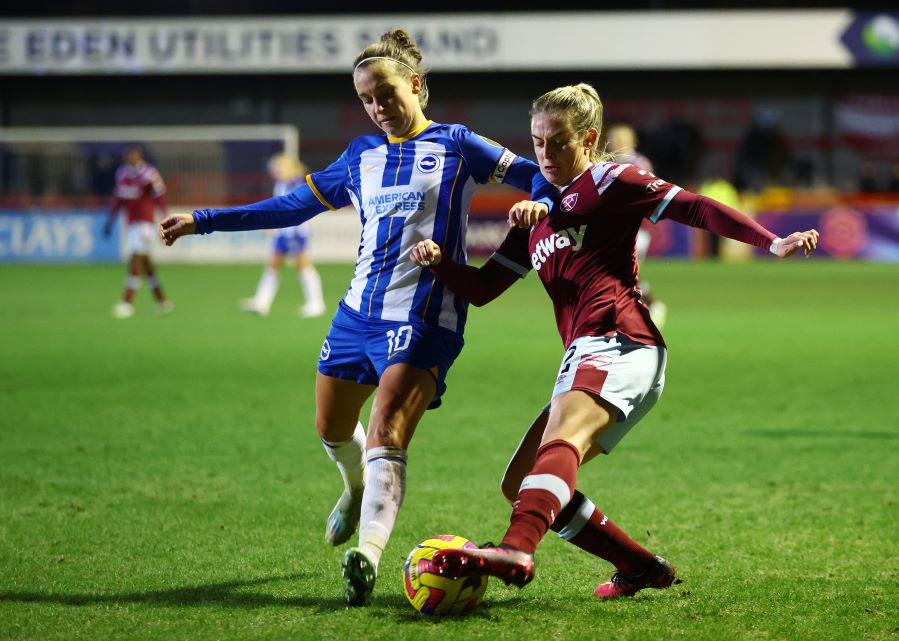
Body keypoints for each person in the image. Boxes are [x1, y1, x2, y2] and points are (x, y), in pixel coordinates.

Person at [157, 29, 553, 607]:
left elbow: (538, 173)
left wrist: (538, 202)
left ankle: (366, 555)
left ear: (416, 85)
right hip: (355, 316)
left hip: (425, 317)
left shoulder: (459, 144)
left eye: (387, 93)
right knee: (331, 431)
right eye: (367, 99)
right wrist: (203, 219)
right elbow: (288, 206)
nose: (378, 107)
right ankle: (354, 487)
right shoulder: (359, 156)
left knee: (388, 429)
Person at [409, 83, 818, 600]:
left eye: (558, 142)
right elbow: (485, 289)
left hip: (621, 340)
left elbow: (694, 208)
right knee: (520, 485)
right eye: (537, 143)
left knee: (560, 448)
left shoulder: (611, 179)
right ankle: (641, 566)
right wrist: (441, 263)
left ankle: (516, 548)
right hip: (590, 352)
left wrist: (770, 240)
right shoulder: (537, 213)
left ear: (589, 137)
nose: (546, 154)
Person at [240, 152, 326, 318]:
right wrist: (271, 224)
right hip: (283, 232)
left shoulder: (298, 184)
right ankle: (261, 302)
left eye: (281, 167)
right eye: (275, 168)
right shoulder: (280, 184)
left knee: (302, 266)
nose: (277, 170)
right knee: (273, 265)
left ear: (291, 168)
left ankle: (316, 304)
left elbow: (298, 209)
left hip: (296, 232)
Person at [605, 123, 666, 327]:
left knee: (622, 270)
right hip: (612, 227)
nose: (618, 141)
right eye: (614, 137)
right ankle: (644, 305)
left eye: (622, 137)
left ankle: (646, 305)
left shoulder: (640, 163)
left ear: (632, 141)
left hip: (636, 228)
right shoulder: (605, 162)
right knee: (619, 271)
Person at [104, 145, 173, 319]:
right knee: (146, 263)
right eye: (129, 157)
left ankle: (127, 303)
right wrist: (110, 221)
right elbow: (118, 199)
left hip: (145, 224)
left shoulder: (149, 174)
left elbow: (160, 197)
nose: (131, 160)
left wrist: (166, 218)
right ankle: (162, 301)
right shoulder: (122, 174)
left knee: (135, 259)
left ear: (140, 158)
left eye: (134, 157)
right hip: (131, 224)